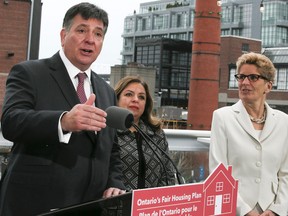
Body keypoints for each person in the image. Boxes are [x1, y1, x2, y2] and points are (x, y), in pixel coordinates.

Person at [0, 3, 126, 216]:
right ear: (63, 35)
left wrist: (114, 182)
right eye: (81, 30)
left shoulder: (106, 91)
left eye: (98, 34)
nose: (90, 40)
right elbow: (11, 122)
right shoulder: (30, 72)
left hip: (89, 207)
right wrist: (63, 121)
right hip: (35, 205)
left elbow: (111, 148)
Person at [209, 52, 288, 216]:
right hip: (235, 211)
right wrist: (245, 211)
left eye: (253, 77)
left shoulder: (284, 122)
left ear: (268, 86)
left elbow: (286, 174)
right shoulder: (222, 117)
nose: (244, 82)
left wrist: (276, 210)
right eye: (241, 77)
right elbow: (218, 171)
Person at [114, 76, 176, 190]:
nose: (135, 100)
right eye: (129, 94)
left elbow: (169, 175)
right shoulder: (106, 131)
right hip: (117, 205)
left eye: (141, 97)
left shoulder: (156, 133)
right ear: (116, 98)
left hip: (151, 204)